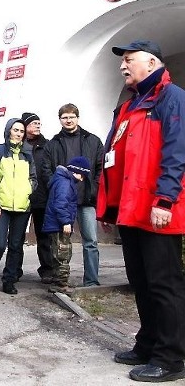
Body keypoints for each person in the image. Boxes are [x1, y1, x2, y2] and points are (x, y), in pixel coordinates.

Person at [98, 40, 185, 383]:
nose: (123, 66)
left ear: (151, 63)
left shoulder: (171, 98)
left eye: (129, 60)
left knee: (164, 284)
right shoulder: (130, 104)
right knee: (142, 282)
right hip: (131, 210)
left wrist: (164, 201)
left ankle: (171, 356)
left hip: (157, 209)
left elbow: (177, 154)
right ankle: (147, 343)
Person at [41, 104, 104, 287]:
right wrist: (56, 188)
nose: (68, 120)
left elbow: (100, 168)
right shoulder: (52, 144)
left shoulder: (93, 140)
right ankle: (60, 281)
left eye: (71, 117)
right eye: (64, 117)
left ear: (77, 118)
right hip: (62, 200)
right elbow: (46, 170)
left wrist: (95, 188)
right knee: (59, 244)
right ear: (60, 119)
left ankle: (91, 281)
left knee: (90, 241)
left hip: (86, 199)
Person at [0, 118, 36, 295]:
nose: (19, 134)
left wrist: (28, 191)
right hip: (1, 206)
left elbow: (34, 178)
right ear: (8, 131)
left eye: (21, 131)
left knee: (15, 246)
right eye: (15, 130)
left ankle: (9, 280)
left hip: (22, 206)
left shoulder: (27, 153)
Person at [42, 156, 90, 295]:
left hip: (55, 224)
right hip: (59, 225)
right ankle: (60, 284)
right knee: (63, 253)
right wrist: (66, 222)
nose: (82, 180)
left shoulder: (61, 180)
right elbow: (60, 205)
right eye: (82, 176)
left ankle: (59, 281)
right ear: (76, 172)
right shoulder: (65, 183)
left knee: (58, 253)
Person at [21, 112, 53, 283]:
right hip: (21, 196)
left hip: (42, 196)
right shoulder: (18, 145)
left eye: (39, 123)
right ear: (25, 126)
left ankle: (47, 269)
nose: (38, 125)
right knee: (17, 237)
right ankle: (15, 270)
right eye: (34, 123)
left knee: (44, 236)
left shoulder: (47, 145)